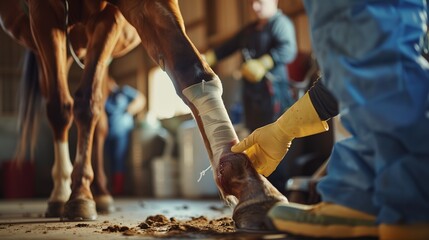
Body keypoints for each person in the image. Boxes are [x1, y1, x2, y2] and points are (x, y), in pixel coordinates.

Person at [231, 0, 429, 239]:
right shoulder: (251, 30)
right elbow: (358, 67)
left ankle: (405, 201)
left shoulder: (280, 25)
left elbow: (372, 52)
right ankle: (369, 197)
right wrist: (283, 129)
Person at [205, 0, 297, 192]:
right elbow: (227, 47)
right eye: (252, 3)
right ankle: (262, 190)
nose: (255, 7)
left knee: (275, 143)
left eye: (260, 2)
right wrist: (205, 59)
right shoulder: (249, 30)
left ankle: (280, 193)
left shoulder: (280, 24)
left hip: (275, 96)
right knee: (256, 143)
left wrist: (264, 62)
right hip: (253, 97)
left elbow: (288, 49)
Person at [104, 74, 145, 196]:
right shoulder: (105, 98)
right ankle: (110, 187)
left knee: (119, 158)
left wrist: (130, 109)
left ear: (111, 81)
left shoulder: (124, 91)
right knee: (109, 160)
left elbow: (141, 99)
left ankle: (118, 189)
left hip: (121, 131)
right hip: (107, 133)